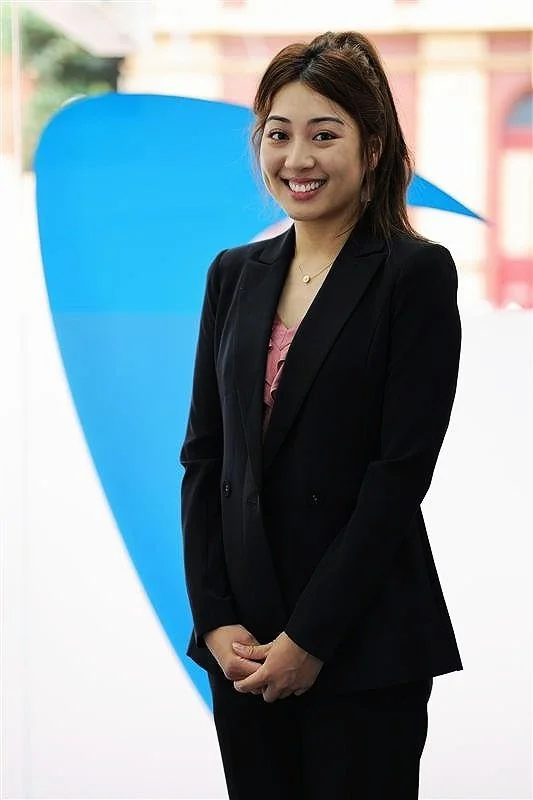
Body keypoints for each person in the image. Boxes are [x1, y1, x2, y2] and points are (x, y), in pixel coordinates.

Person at [180, 30, 462, 799]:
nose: (296, 159)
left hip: (360, 639)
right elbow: (206, 457)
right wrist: (214, 622)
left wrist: (310, 638)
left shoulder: (414, 273)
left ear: (371, 146)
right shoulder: (233, 274)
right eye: (278, 133)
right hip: (242, 646)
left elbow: (397, 477)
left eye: (323, 134)